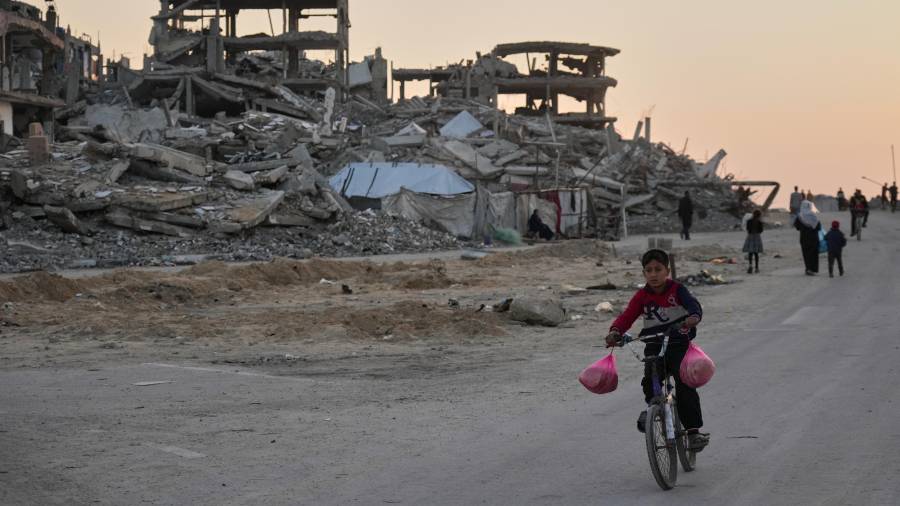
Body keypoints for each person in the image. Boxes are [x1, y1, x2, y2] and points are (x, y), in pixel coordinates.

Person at [604, 249, 709, 451]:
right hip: (654, 344)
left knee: (685, 382)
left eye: (658, 269)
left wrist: (693, 318)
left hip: (679, 343)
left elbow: (694, 307)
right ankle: (654, 408)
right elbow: (627, 316)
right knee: (650, 378)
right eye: (649, 270)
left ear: (667, 271)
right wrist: (615, 331)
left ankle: (693, 432)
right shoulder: (642, 296)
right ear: (644, 273)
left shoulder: (678, 290)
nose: (654, 274)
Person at [794, 200, 822, 275]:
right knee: (814, 254)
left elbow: (796, 227)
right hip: (814, 239)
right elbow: (819, 228)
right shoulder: (814, 216)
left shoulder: (800, 216)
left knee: (806, 254)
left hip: (804, 239)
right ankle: (813, 269)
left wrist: (803, 227)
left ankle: (808, 268)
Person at [743, 209, 764, 274]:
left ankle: (750, 266)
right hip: (757, 237)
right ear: (759, 215)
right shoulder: (760, 222)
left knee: (750, 253)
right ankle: (757, 268)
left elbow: (748, 229)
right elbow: (761, 230)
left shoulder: (749, 221)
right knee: (756, 253)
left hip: (750, 236)